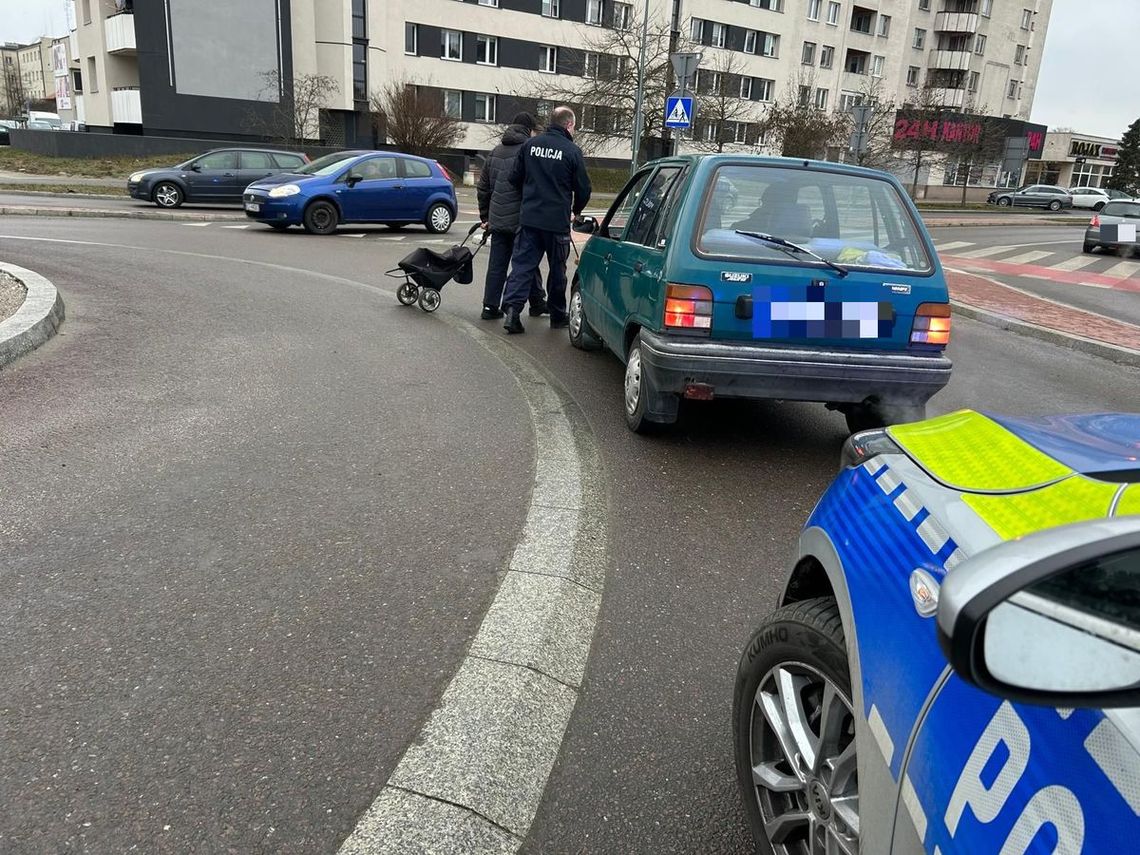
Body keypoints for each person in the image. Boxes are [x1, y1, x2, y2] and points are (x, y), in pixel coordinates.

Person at [500, 105, 592, 334]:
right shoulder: (571, 151)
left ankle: (512, 312)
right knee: (557, 270)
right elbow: (584, 188)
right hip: (556, 222)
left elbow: (514, 178)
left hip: (530, 218)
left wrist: (530, 196)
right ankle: (558, 315)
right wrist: (576, 209)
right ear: (569, 125)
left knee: (522, 267)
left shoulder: (530, 145)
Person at [475, 112, 547, 320]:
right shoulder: (529, 152)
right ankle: (534, 303)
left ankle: (490, 306)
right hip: (521, 219)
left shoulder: (495, 152)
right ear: (528, 130)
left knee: (497, 265)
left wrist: (485, 216)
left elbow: (483, 187)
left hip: (497, 219)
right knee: (527, 262)